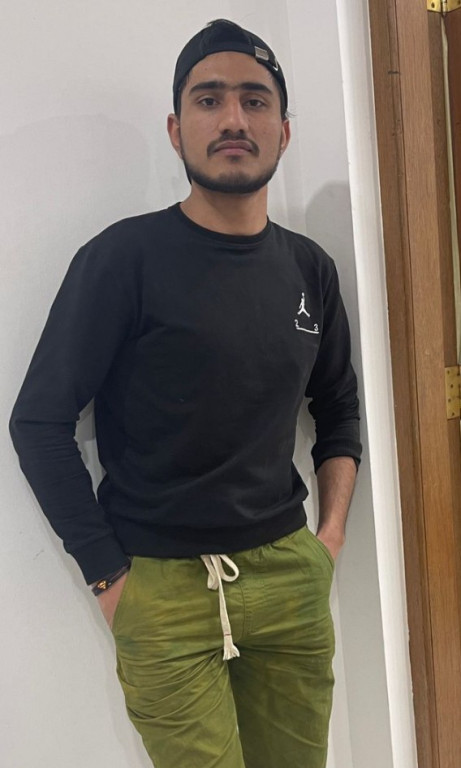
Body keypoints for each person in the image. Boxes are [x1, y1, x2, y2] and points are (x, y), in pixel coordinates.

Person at [9, 18, 361, 768]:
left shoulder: (309, 269)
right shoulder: (122, 259)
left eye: (255, 100)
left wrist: (326, 542)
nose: (233, 118)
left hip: (288, 578)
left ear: (283, 131)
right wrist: (108, 575)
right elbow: (38, 420)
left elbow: (338, 411)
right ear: (176, 130)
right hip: (160, 591)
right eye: (209, 100)